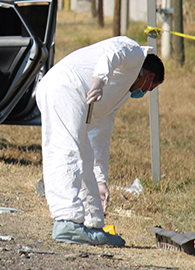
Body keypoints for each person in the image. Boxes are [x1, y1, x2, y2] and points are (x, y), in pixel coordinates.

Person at [36, 36, 164, 247]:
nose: (144, 93)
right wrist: (99, 80)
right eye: (149, 88)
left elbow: (100, 139)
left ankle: (93, 224)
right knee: (67, 151)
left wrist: (101, 181)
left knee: (85, 155)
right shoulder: (134, 52)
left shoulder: (118, 94)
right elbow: (112, 51)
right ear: (149, 77)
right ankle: (67, 221)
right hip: (65, 87)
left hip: (72, 94)